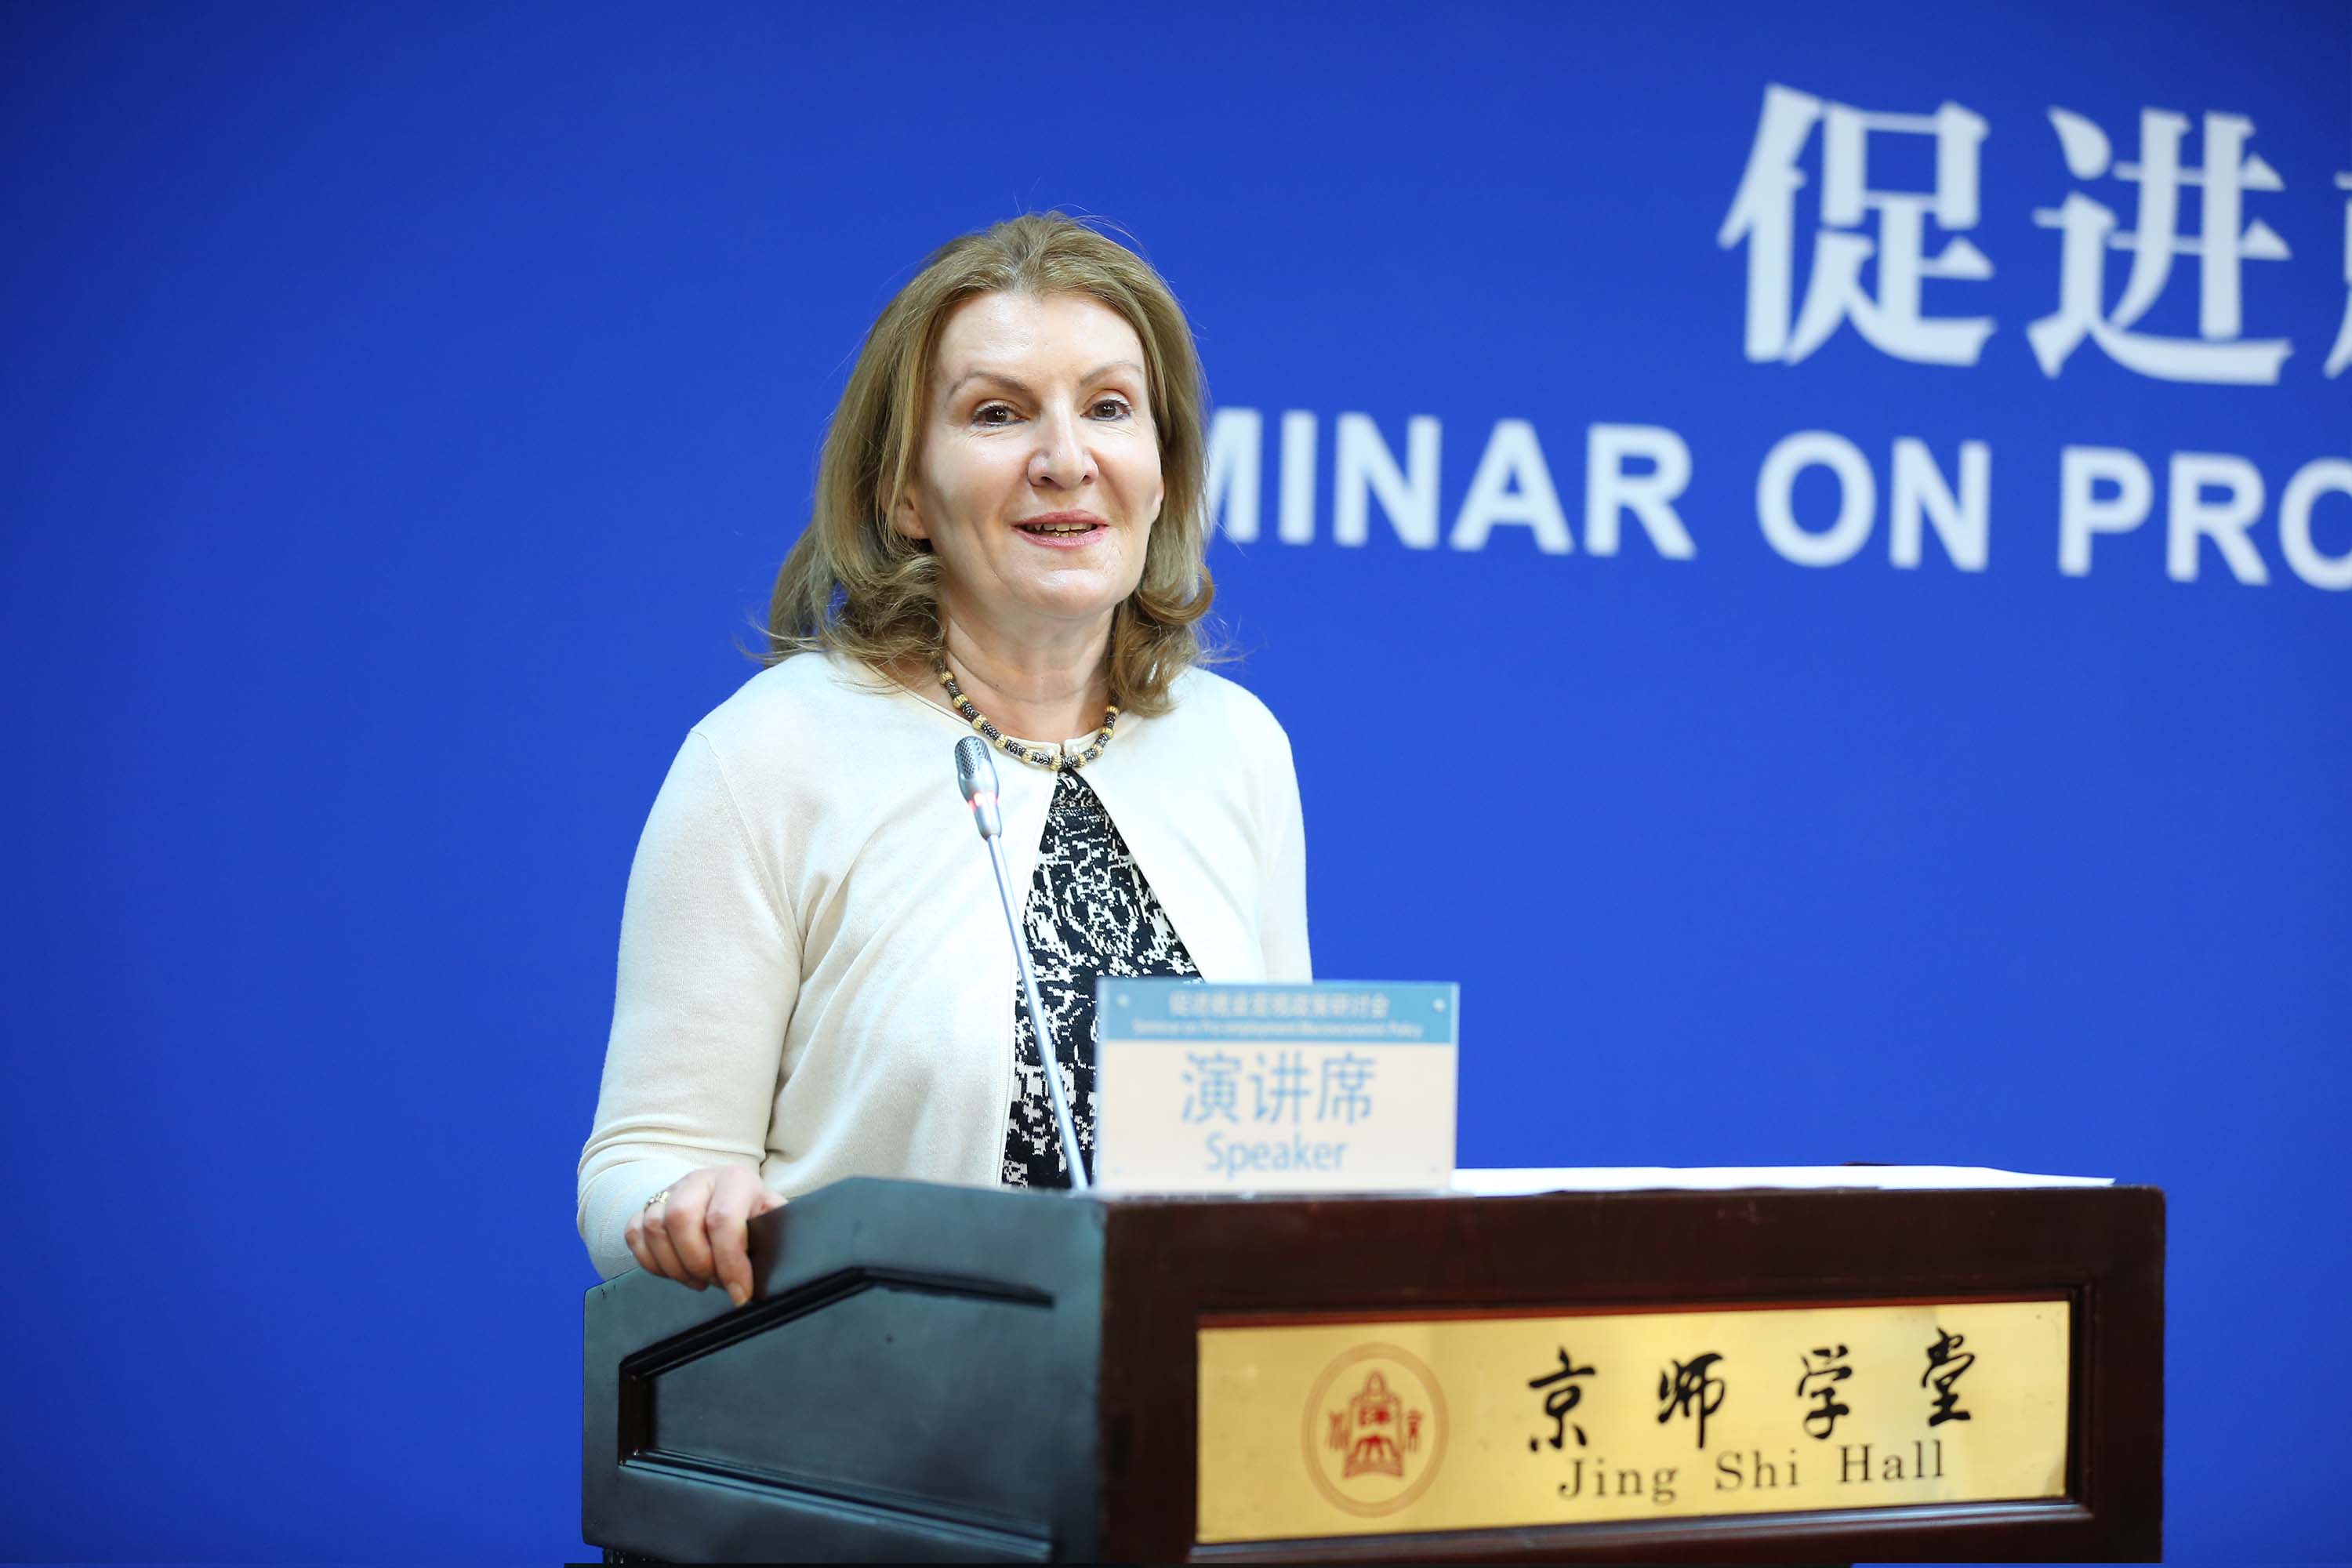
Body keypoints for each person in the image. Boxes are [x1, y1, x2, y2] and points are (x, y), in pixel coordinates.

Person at [575, 213, 1311, 1302]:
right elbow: (639, 1159)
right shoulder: (768, 755)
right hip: (885, 1386)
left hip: (1194, 1389)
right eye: (998, 414)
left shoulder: (1234, 745)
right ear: (905, 493)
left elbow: (1289, 1161)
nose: (1067, 461)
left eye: (1110, 408)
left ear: (1162, 470)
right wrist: (686, 1204)